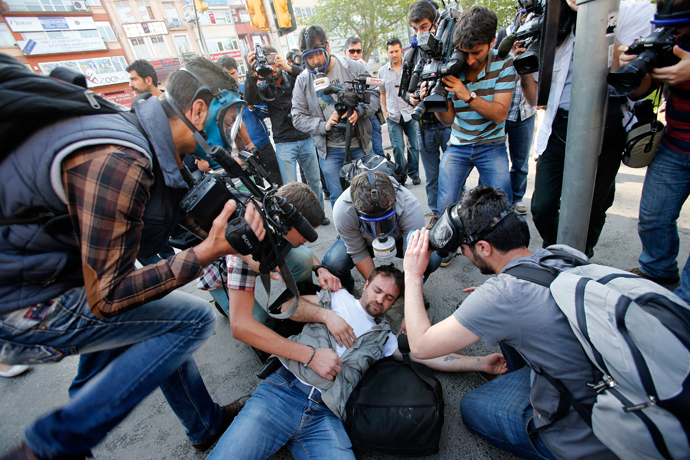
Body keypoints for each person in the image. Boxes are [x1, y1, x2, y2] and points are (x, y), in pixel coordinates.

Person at [0, 56, 265, 459]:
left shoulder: (146, 139)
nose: (236, 132)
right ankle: (51, 446)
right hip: (25, 302)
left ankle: (204, 424)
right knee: (190, 320)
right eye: (229, 118)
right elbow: (109, 295)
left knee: (147, 328)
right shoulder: (123, 156)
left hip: (62, 276)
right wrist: (208, 250)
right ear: (197, 109)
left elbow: (164, 227)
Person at [403, 186, 619, 460]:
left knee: (472, 407)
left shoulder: (503, 297)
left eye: (464, 249)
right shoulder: (561, 253)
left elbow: (420, 346)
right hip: (612, 381)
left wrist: (412, 274)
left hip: (592, 433)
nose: (464, 255)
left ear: (483, 247)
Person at [208, 264, 507, 460]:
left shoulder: (384, 337)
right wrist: (327, 315)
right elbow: (285, 307)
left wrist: (479, 362)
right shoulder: (337, 298)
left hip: (325, 415)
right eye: (378, 290)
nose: (381, 299)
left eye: (390, 298)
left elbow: (426, 353)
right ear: (365, 284)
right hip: (283, 391)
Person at [524, 0, 655, 257]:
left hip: (607, 125)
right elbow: (535, 100)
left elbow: (641, 87)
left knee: (594, 207)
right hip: (559, 125)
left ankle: (581, 257)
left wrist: (599, 24)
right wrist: (523, 69)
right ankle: (557, 254)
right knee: (543, 206)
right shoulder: (552, 19)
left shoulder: (630, 10)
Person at [621, 0, 690, 300]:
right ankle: (658, 271)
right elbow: (641, 91)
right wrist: (634, 70)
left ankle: (684, 309)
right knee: (654, 216)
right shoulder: (670, 34)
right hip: (676, 142)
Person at [431, 6, 515, 214]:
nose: (470, 60)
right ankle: (449, 245)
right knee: (446, 203)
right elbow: (448, 120)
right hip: (458, 144)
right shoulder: (453, 64)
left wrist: (466, 94)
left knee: (502, 206)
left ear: (492, 41)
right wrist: (436, 101)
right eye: (465, 52)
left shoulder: (504, 62)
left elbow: (499, 114)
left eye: (476, 52)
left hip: (491, 144)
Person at [225, 182, 341, 326]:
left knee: (303, 255)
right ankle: (222, 302)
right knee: (260, 323)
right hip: (222, 276)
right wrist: (313, 350)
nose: (306, 241)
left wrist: (320, 269)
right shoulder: (247, 239)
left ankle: (300, 298)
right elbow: (241, 328)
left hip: (266, 251)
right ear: (284, 224)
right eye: (305, 235)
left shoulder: (275, 222)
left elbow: (303, 250)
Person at [292, 25, 381, 207]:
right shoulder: (302, 80)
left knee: (369, 195)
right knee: (339, 200)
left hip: (360, 146)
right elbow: (297, 117)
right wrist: (323, 125)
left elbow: (375, 95)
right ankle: (346, 236)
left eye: (318, 53)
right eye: (309, 56)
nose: (315, 61)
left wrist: (360, 111)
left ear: (328, 47)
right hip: (329, 151)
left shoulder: (355, 67)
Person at [243, 46, 330, 226]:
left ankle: (319, 214)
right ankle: (296, 219)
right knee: (290, 187)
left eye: (274, 62)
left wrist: (289, 68)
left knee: (314, 181)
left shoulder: (293, 77)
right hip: (283, 143)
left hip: (305, 137)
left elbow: (310, 77)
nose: (272, 68)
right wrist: (250, 73)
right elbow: (250, 99)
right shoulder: (264, 85)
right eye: (268, 64)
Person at [322, 171, 443, 293]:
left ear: (395, 197)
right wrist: (375, 287)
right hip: (363, 240)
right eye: (371, 221)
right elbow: (357, 251)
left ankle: (406, 291)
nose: (379, 230)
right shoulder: (343, 210)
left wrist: (410, 293)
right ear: (355, 206)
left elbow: (413, 260)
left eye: (386, 218)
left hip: (399, 239)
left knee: (432, 258)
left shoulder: (410, 206)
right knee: (333, 264)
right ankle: (346, 291)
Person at [407, 1, 453, 228]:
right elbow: (407, 92)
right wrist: (414, 97)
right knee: (432, 177)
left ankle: (455, 213)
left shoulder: (448, 47)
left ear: (435, 24)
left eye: (424, 27)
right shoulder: (413, 54)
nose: (419, 33)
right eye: (415, 29)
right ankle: (437, 215)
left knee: (454, 173)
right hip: (424, 125)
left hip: (447, 122)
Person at [493, 13, 537, 216]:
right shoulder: (502, 36)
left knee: (520, 162)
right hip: (503, 111)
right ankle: (502, 202)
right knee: (499, 162)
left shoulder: (535, 39)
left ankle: (517, 198)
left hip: (525, 111)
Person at [217, 55, 283, 187]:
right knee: (257, 188)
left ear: (237, 70)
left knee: (278, 183)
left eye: (233, 73)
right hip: (242, 152)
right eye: (227, 74)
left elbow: (267, 110)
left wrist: (253, 107)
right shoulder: (219, 98)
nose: (231, 77)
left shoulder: (249, 87)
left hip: (263, 145)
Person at [380, 37, 422, 186]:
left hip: (409, 112)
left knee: (414, 146)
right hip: (393, 115)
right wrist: (384, 111)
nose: (394, 54)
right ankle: (401, 176)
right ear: (387, 53)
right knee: (398, 147)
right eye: (391, 52)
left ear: (401, 51)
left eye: (396, 51)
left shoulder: (410, 68)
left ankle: (414, 173)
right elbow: (382, 94)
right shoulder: (382, 71)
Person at [344, 36, 385, 157]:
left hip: (369, 114)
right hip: (354, 117)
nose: (355, 54)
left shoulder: (364, 66)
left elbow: (374, 92)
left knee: (378, 149)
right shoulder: (344, 69)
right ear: (346, 52)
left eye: (358, 51)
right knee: (365, 153)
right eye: (352, 51)